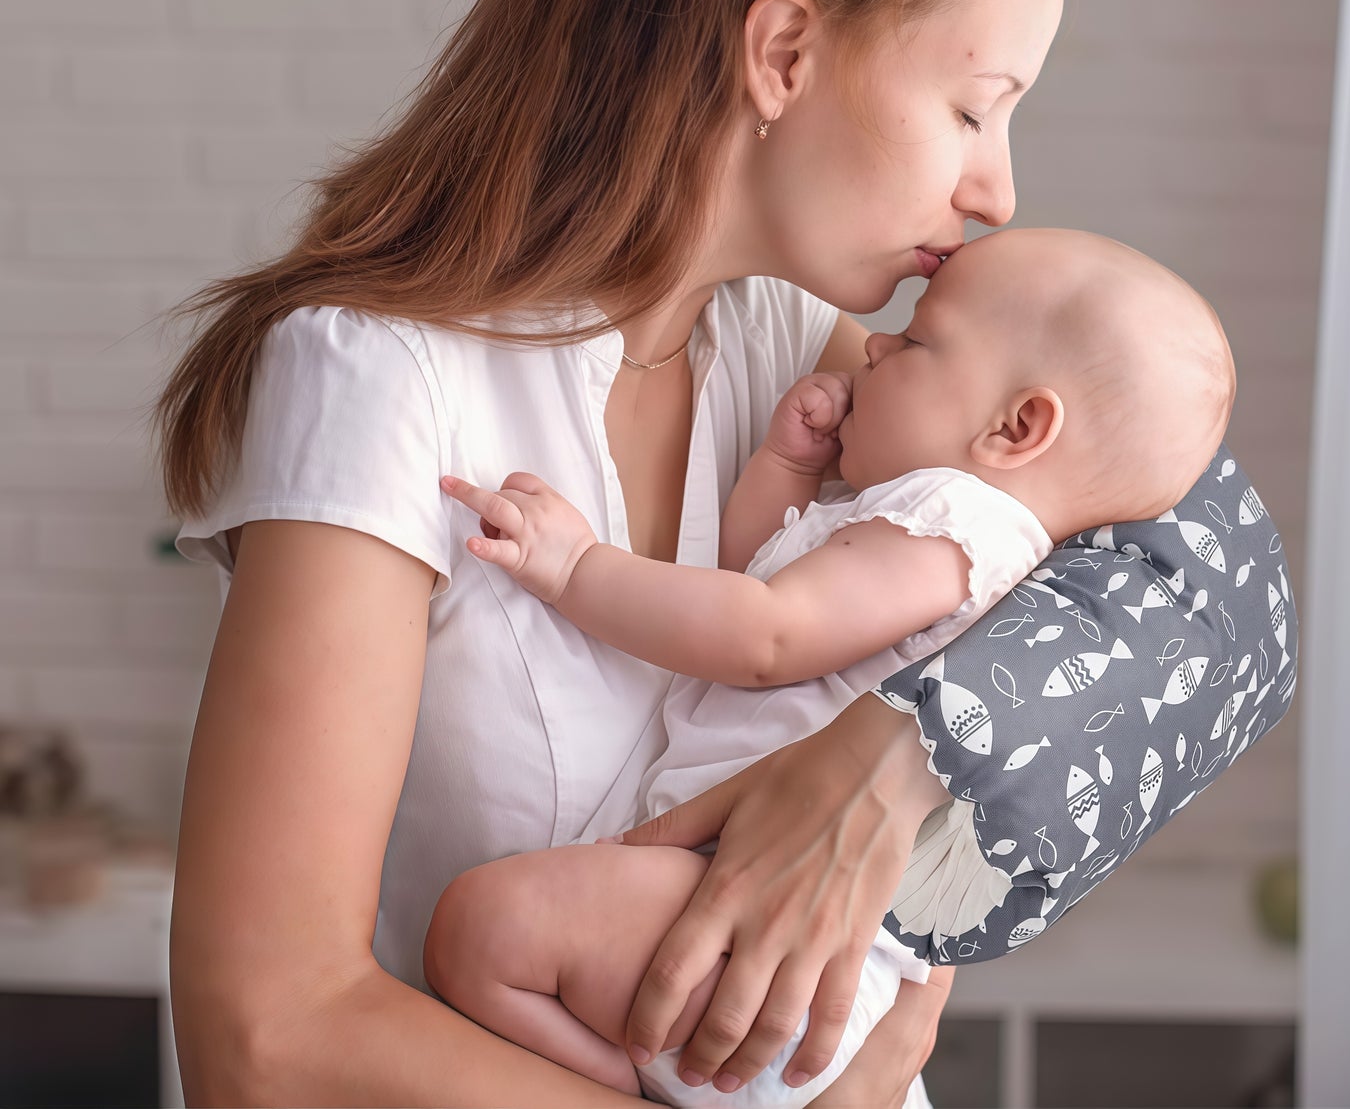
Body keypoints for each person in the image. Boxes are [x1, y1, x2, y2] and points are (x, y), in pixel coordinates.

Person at [154, 0, 1099, 1105]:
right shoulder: (381, 380)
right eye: (971, 108)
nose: (996, 193)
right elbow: (266, 1034)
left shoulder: (815, 364)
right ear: (782, 50)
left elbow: (1201, 593)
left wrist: (894, 764)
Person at [422, 228, 1234, 1104]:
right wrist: (787, 469)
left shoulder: (957, 525)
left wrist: (577, 569)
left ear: (1015, 426)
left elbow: (764, 636)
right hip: (759, 924)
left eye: (916, 341)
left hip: (760, 933)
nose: (874, 345)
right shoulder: (914, 519)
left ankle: (620, 1082)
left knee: (483, 931)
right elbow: (758, 581)